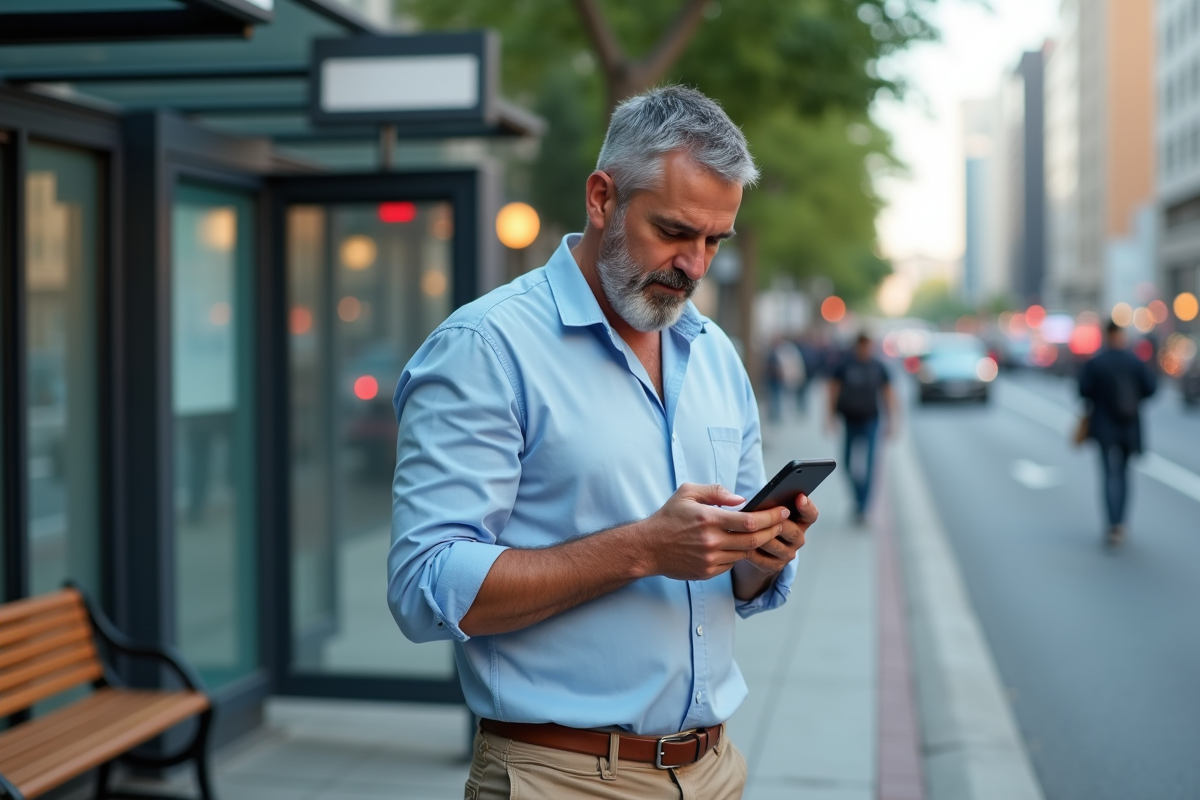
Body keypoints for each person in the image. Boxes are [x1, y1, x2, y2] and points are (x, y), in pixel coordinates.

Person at [388, 86, 819, 799]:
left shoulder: (715, 353)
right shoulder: (485, 348)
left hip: (716, 771)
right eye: (676, 231)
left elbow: (731, 579)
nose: (696, 265)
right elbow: (422, 587)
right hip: (558, 776)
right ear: (600, 198)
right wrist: (645, 548)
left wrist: (763, 552)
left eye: (715, 240)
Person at [1078, 319, 1157, 546]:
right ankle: (1120, 524)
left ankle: (1111, 524)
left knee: (1107, 475)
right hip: (1129, 427)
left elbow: (1083, 390)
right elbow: (1151, 388)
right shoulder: (1135, 362)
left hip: (1103, 427)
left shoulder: (1097, 362)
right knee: (1123, 475)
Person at [826, 332, 895, 524]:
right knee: (847, 464)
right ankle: (857, 497)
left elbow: (888, 393)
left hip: (871, 421)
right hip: (850, 421)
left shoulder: (878, 366)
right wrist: (829, 416)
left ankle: (863, 507)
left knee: (870, 464)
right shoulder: (845, 365)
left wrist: (891, 421)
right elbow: (833, 389)